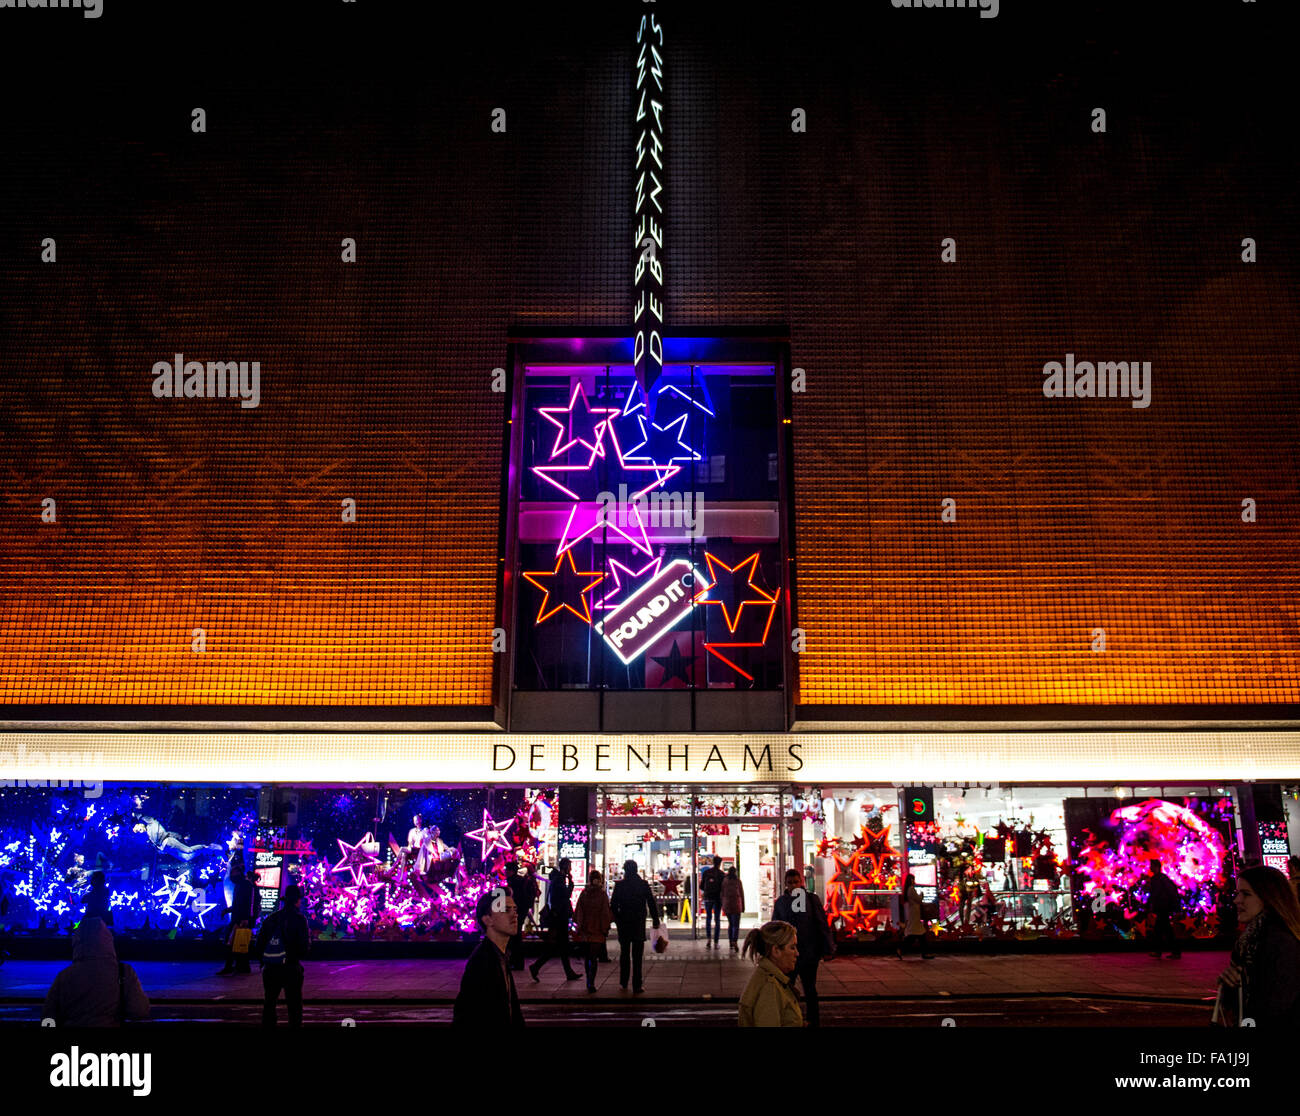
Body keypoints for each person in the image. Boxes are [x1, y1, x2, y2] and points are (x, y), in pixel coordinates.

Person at [1216, 866, 1300, 1027]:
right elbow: (1240, 1006)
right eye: (1237, 893)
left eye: (1246, 894)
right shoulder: (1249, 942)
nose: (1237, 900)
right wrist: (1230, 985)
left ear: (1268, 898)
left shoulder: (1281, 943)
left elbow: (1275, 1009)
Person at [42, 916, 149, 1027]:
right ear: (108, 941)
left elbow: (48, 1016)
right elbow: (139, 1010)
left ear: (77, 942)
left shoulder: (65, 976)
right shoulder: (123, 972)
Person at [453, 888, 525, 1027]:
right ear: (487, 919)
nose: (514, 915)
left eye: (514, 910)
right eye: (505, 910)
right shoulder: (482, 961)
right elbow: (467, 1015)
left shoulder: (500, 956)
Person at [773, 868, 834, 1026]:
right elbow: (775, 928)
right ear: (786, 884)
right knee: (788, 989)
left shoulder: (811, 899)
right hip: (790, 955)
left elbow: (821, 924)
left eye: (796, 882)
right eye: (790, 883)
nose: (793, 886)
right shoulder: (782, 902)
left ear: (801, 882)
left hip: (808, 953)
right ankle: (792, 1019)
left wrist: (827, 949)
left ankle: (811, 1020)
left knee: (809, 989)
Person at [256, 884, 310, 1027]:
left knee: (269, 1003)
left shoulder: (271, 918)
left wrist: (263, 961)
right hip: (291, 966)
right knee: (294, 1005)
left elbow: (260, 943)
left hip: (271, 967)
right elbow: (304, 946)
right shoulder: (300, 919)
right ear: (297, 901)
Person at [738, 920, 803, 1027]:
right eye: (792, 947)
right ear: (776, 951)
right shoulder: (770, 987)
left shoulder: (771, 978)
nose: (797, 953)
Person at [610, 859, 661, 993]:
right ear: (636, 870)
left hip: (624, 923)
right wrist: (655, 919)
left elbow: (613, 905)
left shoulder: (620, 886)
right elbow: (651, 902)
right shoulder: (643, 884)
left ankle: (623, 982)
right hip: (638, 922)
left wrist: (618, 919)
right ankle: (637, 985)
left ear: (625, 870)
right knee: (637, 957)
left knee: (624, 954)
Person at [529, 857, 580, 982]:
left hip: (558, 916)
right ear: (566, 867)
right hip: (559, 917)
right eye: (569, 866)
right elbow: (564, 896)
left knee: (561, 946)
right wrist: (571, 884)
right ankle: (537, 966)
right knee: (559, 945)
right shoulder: (559, 879)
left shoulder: (557, 878)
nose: (571, 869)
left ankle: (566, 972)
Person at [572, 869, 614, 993]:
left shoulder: (584, 893)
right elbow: (605, 914)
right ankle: (591, 981)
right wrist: (605, 928)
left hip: (585, 930)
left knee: (587, 957)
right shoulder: (602, 895)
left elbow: (578, 911)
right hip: (597, 930)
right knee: (594, 957)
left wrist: (579, 927)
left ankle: (588, 980)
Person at [217, 860, 255, 975]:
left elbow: (247, 903)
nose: (232, 876)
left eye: (234, 873)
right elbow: (238, 903)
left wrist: (245, 918)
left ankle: (233, 966)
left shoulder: (245, 885)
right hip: (238, 918)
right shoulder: (239, 885)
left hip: (240, 919)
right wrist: (228, 910)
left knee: (234, 943)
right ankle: (240, 966)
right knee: (237, 943)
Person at [1145, 858, 1182, 959]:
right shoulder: (1158, 878)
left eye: (1151, 865)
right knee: (1162, 929)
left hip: (1163, 907)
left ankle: (1167, 951)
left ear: (1156, 867)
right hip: (1162, 907)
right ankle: (1169, 951)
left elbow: (1169, 893)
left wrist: (1175, 907)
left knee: (1162, 929)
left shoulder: (1160, 879)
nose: (1150, 867)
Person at [506, 861, 538, 971]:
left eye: (507, 870)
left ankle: (516, 962)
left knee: (515, 936)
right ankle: (517, 962)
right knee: (516, 935)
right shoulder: (520, 880)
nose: (505, 872)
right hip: (522, 909)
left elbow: (515, 898)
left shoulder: (513, 881)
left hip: (517, 910)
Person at [896, 874, 933, 959]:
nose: (914, 881)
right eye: (913, 879)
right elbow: (918, 899)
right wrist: (922, 895)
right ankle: (901, 949)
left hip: (914, 914)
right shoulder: (911, 889)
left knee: (919, 935)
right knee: (915, 935)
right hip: (915, 915)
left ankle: (923, 953)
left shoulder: (909, 890)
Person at [700, 855, 724, 948]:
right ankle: (716, 942)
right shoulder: (721, 874)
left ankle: (709, 939)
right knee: (717, 920)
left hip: (708, 898)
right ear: (720, 863)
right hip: (717, 899)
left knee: (708, 919)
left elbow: (701, 886)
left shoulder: (706, 872)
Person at [721, 867, 745, 952]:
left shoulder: (725, 881)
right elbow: (741, 894)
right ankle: (735, 941)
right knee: (736, 925)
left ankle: (730, 942)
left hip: (727, 905)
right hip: (736, 905)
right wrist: (743, 907)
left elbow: (722, 893)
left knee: (730, 924)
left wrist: (723, 905)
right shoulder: (738, 881)